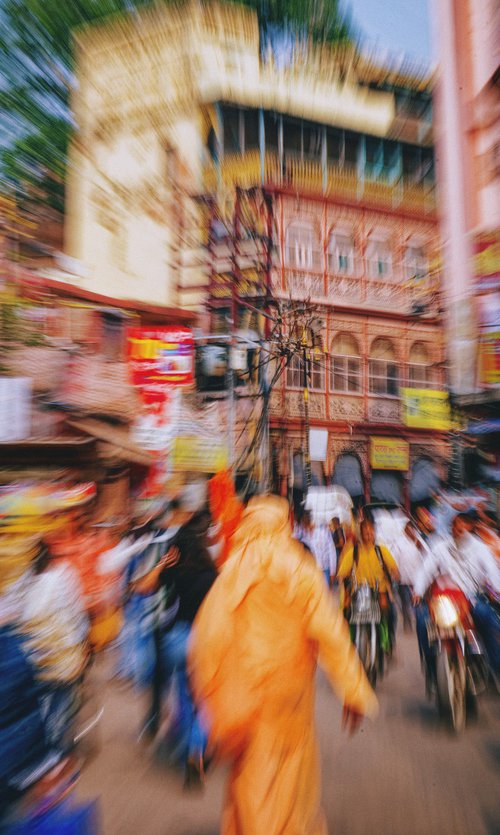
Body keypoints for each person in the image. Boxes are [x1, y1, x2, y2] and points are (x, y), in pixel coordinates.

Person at [189, 496, 377, 835]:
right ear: (284, 523)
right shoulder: (298, 569)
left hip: (248, 695)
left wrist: (212, 693)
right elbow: (330, 633)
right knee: (292, 776)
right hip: (291, 699)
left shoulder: (231, 572)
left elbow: (207, 636)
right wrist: (353, 691)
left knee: (252, 780)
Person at [134, 502, 217, 787]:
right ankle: (197, 750)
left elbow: (142, 588)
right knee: (204, 701)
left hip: (176, 640)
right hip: (204, 642)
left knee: (182, 696)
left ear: (176, 549)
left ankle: (183, 754)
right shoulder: (212, 576)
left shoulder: (174, 572)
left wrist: (161, 564)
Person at [413, 512, 500, 682]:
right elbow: (426, 569)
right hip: (444, 600)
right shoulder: (441, 547)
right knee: (422, 621)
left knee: (487, 617)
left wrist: (497, 589)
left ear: (470, 528)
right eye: (455, 525)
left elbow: (492, 572)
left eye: (463, 526)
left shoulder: (480, 549)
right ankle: (431, 669)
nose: (458, 529)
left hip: (473, 597)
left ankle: (495, 666)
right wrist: (418, 591)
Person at [337, 518, 399, 651]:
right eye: (366, 532)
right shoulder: (353, 552)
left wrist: (395, 574)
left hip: (379, 589)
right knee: (347, 612)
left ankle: (385, 639)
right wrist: (342, 579)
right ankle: (351, 641)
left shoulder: (381, 550)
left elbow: (393, 567)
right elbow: (342, 572)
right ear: (361, 534)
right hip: (358, 591)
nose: (369, 534)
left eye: (371, 532)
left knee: (388, 612)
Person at [389, 521, 425, 631]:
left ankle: (420, 624)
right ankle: (407, 622)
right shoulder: (398, 543)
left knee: (418, 603)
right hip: (403, 579)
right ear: (405, 530)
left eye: (412, 529)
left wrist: (420, 546)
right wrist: (395, 573)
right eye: (408, 529)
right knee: (405, 602)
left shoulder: (419, 541)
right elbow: (394, 559)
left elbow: (428, 557)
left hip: (418, 579)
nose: (410, 531)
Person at [308, 517, 337, 588]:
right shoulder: (302, 533)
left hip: (322, 571)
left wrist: (332, 572)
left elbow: (331, 552)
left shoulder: (323, 532)